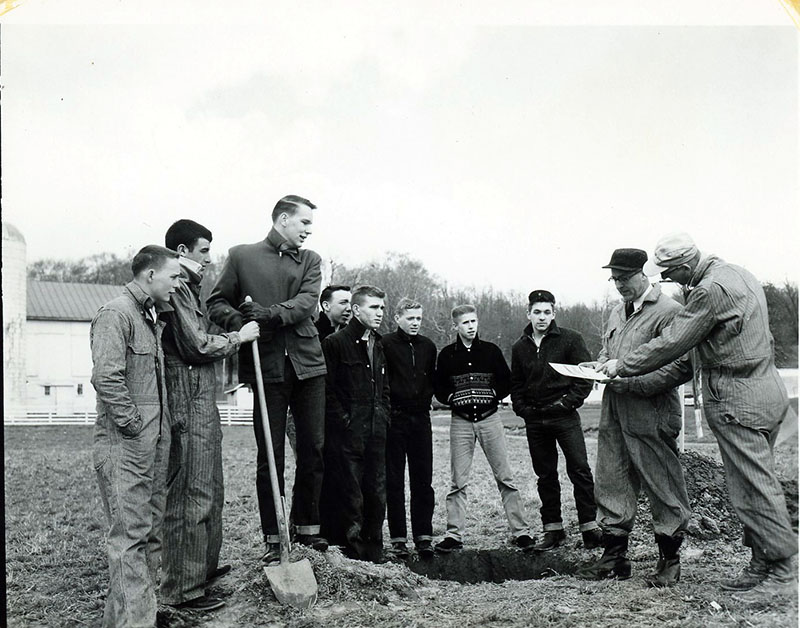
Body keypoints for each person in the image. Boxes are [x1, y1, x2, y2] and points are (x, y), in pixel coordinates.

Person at [598, 233, 797, 601]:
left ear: (687, 266)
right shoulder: (739, 273)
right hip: (765, 389)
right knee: (749, 484)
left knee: (754, 488)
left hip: (739, 396)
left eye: (673, 273)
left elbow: (674, 342)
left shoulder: (707, 290)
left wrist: (621, 366)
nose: (671, 280)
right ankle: (761, 563)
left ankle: (783, 571)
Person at [207, 195, 328, 563]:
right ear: (283, 219)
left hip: (308, 365)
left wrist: (271, 314)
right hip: (266, 366)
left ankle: (308, 530)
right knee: (271, 455)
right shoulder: (242, 256)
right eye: (304, 222)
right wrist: (243, 323)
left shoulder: (311, 260)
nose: (309, 230)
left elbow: (308, 302)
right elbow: (215, 303)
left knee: (313, 448)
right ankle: (274, 536)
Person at [159, 220, 260, 611]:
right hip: (186, 401)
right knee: (190, 496)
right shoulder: (177, 291)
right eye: (203, 251)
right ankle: (182, 590)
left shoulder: (192, 290)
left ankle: (201, 572)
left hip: (203, 399)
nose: (209, 258)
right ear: (182, 252)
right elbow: (196, 345)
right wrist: (239, 337)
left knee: (210, 493)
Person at [575, 250, 692, 587]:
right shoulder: (616, 311)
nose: (619, 285)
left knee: (662, 482)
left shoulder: (669, 312)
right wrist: (596, 366)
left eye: (624, 278)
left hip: (651, 409)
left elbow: (681, 364)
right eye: (614, 279)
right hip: (615, 408)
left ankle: (669, 559)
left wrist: (635, 382)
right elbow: (610, 353)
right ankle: (614, 557)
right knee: (611, 477)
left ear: (643, 275)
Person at [90, 245, 181, 628]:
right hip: (126, 447)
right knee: (129, 538)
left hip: (149, 447)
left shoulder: (149, 317)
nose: (178, 284)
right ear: (150, 276)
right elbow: (106, 377)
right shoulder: (117, 314)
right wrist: (132, 426)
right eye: (174, 277)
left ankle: (128, 620)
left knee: (146, 535)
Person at [434, 304, 533, 552]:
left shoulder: (490, 351)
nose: (471, 326)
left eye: (474, 321)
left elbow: (507, 381)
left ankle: (521, 532)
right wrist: (450, 398)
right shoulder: (446, 355)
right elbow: (439, 388)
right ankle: (454, 535)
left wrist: (494, 393)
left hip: (490, 419)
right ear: (455, 326)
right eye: (465, 323)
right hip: (461, 422)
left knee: (505, 477)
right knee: (458, 481)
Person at [510, 290, 601, 552]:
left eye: (547, 312)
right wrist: (524, 409)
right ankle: (553, 530)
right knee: (545, 475)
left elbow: (584, 378)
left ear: (554, 313)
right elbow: (517, 383)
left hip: (564, 416)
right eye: (537, 312)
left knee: (580, 470)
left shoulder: (571, 340)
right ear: (528, 313)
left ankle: (590, 528)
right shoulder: (520, 346)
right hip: (535, 420)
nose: (542, 317)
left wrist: (565, 403)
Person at [320, 285, 392, 562]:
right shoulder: (335, 343)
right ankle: (353, 552)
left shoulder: (379, 343)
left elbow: (384, 386)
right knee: (350, 491)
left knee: (377, 489)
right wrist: (344, 420)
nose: (380, 313)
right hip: (349, 431)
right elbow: (327, 389)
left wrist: (384, 413)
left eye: (382, 308)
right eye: (374, 307)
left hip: (376, 428)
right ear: (356, 310)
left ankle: (375, 551)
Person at [382, 298, 437, 559]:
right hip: (395, 419)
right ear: (398, 318)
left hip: (421, 419)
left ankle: (424, 536)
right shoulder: (386, 344)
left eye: (418, 318)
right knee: (394, 480)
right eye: (410, 318)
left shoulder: (428, 346)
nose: (415, 323)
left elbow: (431, 380)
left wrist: (424, 401)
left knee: (422, 479)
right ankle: (398, 539)